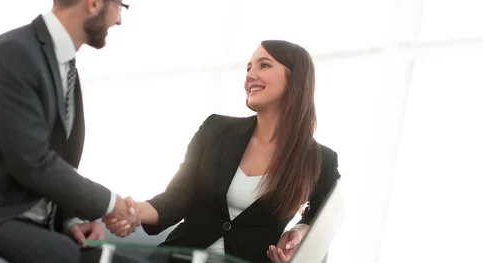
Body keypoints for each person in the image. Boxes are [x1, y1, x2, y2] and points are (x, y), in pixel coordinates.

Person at [0, 1, 140, 263]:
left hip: (27, 223)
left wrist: (70, 220)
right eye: (120, 5)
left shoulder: (65, 68)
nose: (119, 20)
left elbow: (55, 159)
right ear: (93, 4)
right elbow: (32, 162)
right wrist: (112, 205)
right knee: (60, 254)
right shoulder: (13, 53)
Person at [105, 40, 342, 263]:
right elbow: (177, 198)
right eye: (248, 67)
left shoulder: (320, 160)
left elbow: (325, 217)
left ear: (295, 78)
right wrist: (134, 212)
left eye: (264, 65)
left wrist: (300, 231)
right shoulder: (216, 130)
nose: (250, 75)